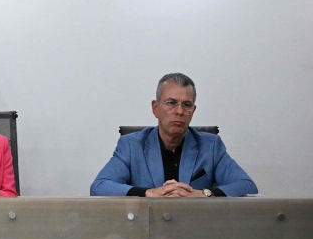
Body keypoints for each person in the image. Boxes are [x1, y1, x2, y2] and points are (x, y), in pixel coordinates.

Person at [91, 73, 257, 197]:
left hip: (194, 231)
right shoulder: (131, 145)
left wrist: (202, 194)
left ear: (193, 111)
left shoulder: (211, 146)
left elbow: (247, 186)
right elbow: (99, 186)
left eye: (186, 105)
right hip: (146, 231)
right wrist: (148, 193)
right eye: (171, 103)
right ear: (155, 108)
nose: (179, 111)